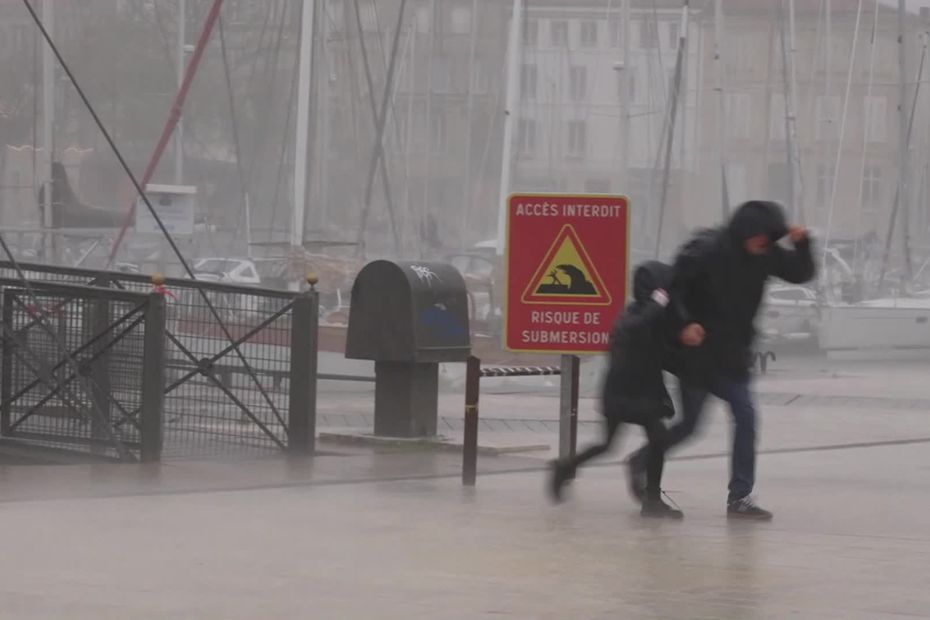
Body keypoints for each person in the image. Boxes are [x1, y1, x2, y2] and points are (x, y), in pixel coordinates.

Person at [628, 200, 815, 520]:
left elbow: (800, 273)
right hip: (696, 356)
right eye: (761, 239)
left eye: (770, 241)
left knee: (745, 414)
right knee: (689, 426)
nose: (765, 246)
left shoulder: (765, 254)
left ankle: (740, 498)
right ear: (746, 232)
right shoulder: (705, 252)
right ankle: (642, 461)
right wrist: (684, 325)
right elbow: (671, 293)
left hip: (732, 356)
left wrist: (802, 245)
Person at [548, 261, 703, 518]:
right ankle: (565, 468)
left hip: (643, 392)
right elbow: (638, 329)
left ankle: (651, 499)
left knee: (655, 440)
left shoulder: (658, 318)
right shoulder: (633, 316)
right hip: (623, 393)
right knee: (611, 444)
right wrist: (658, 303)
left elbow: (665, 352)